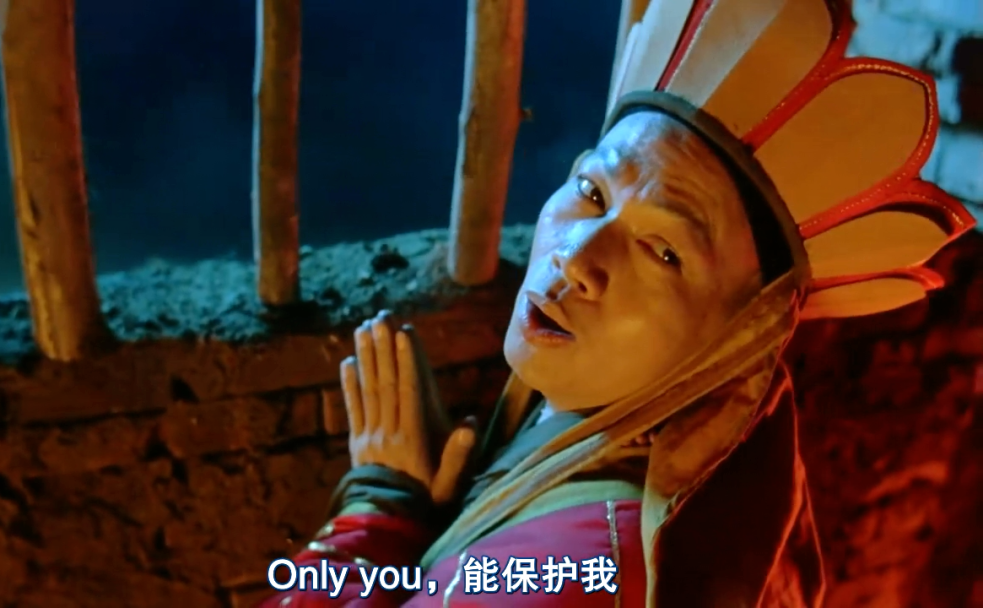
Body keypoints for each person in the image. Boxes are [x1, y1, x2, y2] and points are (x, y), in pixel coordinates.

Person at [261, 0, 976, 605]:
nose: (576, 257)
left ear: (738, 341)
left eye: (663, 252)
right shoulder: (574, 441)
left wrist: (376, 515)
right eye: (592, 192)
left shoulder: (576, 571)